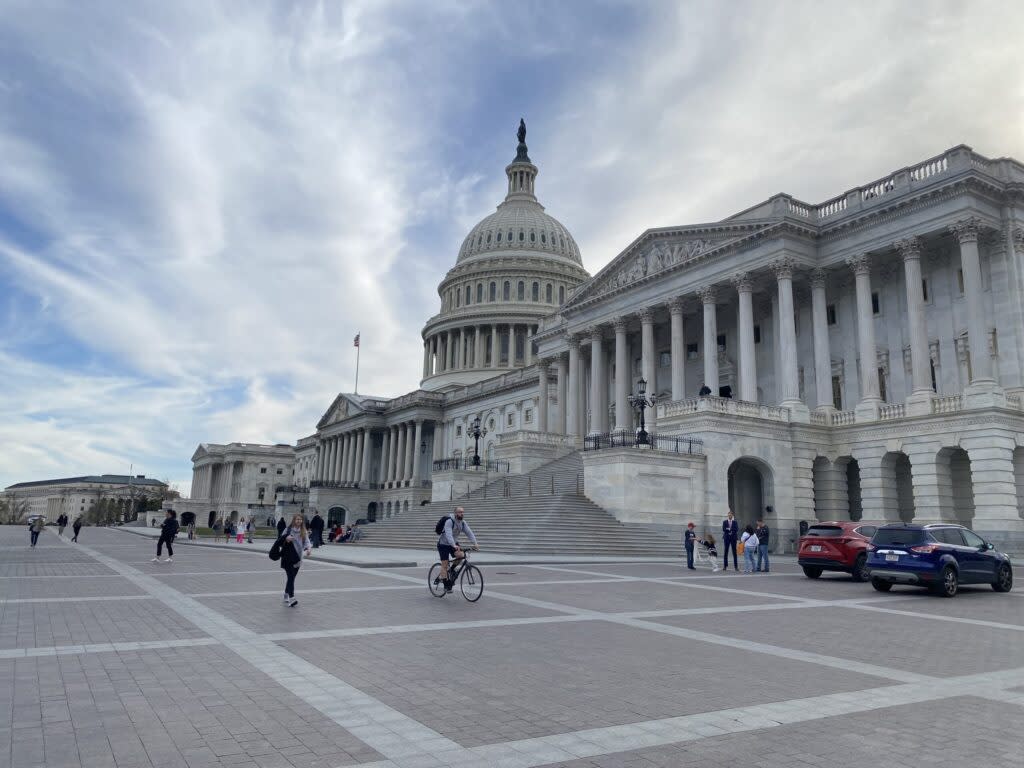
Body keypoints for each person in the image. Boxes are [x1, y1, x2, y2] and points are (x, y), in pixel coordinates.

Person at [434, 506, 479, 593]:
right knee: (445, 564)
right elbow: (448, 534)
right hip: (443, 544)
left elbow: (469, 532)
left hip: (453, 544)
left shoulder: (462, 523)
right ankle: (446, 585)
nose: (461, 513)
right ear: (455, 513)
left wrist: (475, 543)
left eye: (462, 512)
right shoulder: (449, 521)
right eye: (459, 512)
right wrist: (453, 545)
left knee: (461, 555)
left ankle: (451, 570)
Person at [279, 513, 311, 607]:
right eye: (297, 519)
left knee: (291, 578)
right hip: (288, 557)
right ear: (294, 520)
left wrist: (309, 549)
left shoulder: (303, 531)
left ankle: (286, 593)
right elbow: (280, 540)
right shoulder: (288, 530)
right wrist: (286, 539)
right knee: (291, 577)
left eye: (300, 520)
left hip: (298, 558)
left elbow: (306, 542)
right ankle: (292, 598)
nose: (299, 521)